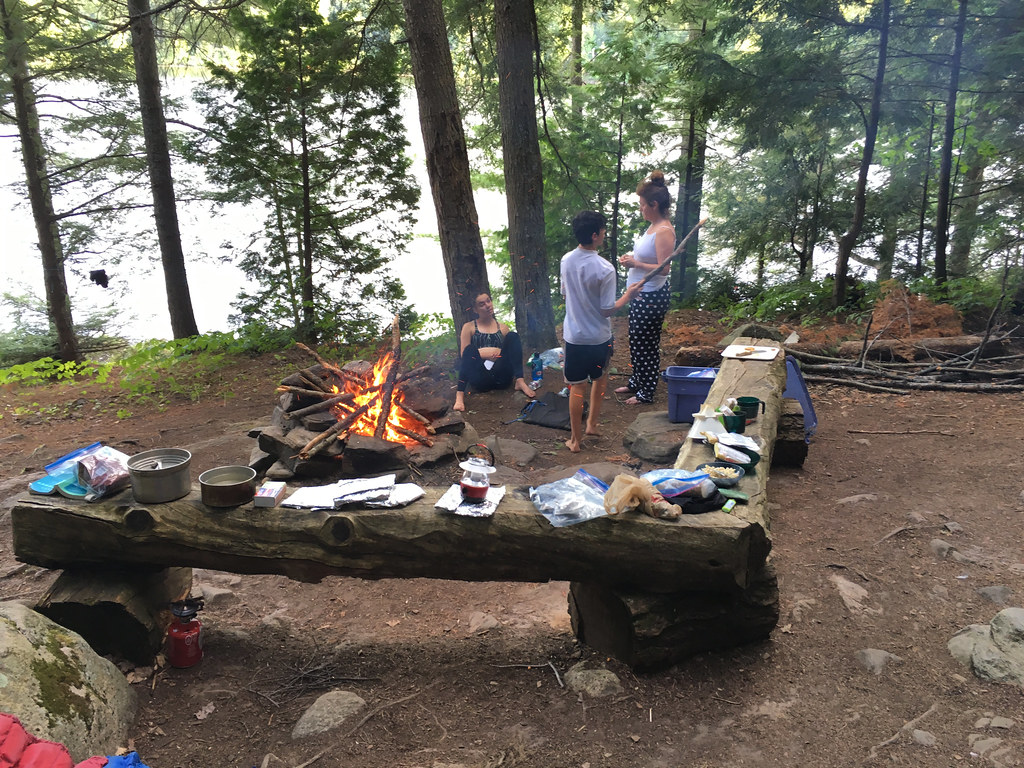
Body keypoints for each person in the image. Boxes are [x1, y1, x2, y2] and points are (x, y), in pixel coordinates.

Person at [561, 210, 642, 453]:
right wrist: (628, 295)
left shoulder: (566, 260)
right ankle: (592, 423)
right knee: (601, 378)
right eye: (603, 231)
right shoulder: (605, 268)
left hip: (574, 337)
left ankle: (576, 440)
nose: (605, 234)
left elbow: (566, 293)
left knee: (577, 387)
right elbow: (607, 310)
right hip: (598, 339)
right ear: (595, 235)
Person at [616, 171, 677, 404]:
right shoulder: (652, 226)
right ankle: (637, 381)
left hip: (652, 296)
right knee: (636, 339)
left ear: (654, 204)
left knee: (646, 343)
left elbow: (664, 268)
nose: (641, 208)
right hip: (641, 294)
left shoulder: (663, 231)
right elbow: (649, 256)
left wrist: (636, 263)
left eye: (643, 205)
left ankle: (647, 391)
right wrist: (632, 259)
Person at [453, 292, 535, 412]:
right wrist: (484, 353)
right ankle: (459, 395)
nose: (487, 305)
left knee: (513, 336)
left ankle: (520, 381)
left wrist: (499, 353)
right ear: (475, 309)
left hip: (501, 377)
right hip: (480, 378)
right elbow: (464, 355)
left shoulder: (503, 328)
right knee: (469, 350)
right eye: (482, 304)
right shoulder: (469, 327)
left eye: (488, 301)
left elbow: (510, 353)